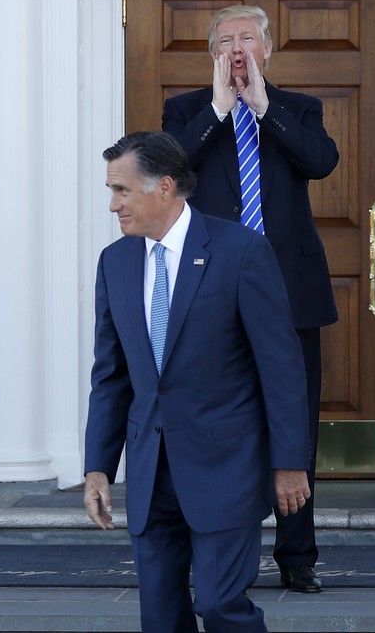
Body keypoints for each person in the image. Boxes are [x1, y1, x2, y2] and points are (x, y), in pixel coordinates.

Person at [83, 131, 313, 632]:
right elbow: (112, 376)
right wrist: (98, 468)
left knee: (219, 605)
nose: (112, 204)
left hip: (225, 469)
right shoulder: (115, 263)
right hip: (150, 473)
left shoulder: (240, 251)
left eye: (121, 190)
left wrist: (291, 463)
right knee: (161, 619)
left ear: (164, 187)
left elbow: (282, 368)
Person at [162, 4, 339, 593]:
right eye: (226, 39)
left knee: (294, 424)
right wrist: (218, 109)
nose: (237, 48)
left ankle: (298, 559)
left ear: (267, 50)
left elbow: (321, 161)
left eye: (248, 38)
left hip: (290, 294)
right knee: (212, 425)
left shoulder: (297, 110)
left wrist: (263, 108)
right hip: (211, 294)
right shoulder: (187, 112)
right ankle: (211, 553)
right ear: (212, 52)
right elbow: (169, 175)